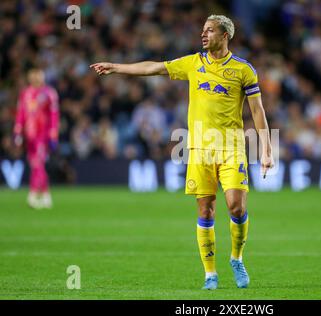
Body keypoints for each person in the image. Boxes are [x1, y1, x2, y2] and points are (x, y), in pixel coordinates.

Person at [90, 15, 274, 290]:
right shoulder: (193, 63)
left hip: (231, 148)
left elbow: (257, 110)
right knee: (206, 210)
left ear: (225, 35)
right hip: (200, 149)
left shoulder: (243, 70)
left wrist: (267, 149)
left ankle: (237, 258)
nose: (203, 34)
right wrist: (116, 67)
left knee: (237, 206)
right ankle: (210, 274)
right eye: (203, 30)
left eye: (210, 30)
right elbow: (155, 68)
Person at [13, 68, 60, 209]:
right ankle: (46, 196)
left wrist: (53, 134)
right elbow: (21, 113)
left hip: (43, 134)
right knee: (35, 163)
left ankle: (33, 194)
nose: (36, 79)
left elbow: (54, 115)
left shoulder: (49, 94)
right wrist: (18, 131)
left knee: (37, 163)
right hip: (30, 135)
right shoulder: (25, 93)